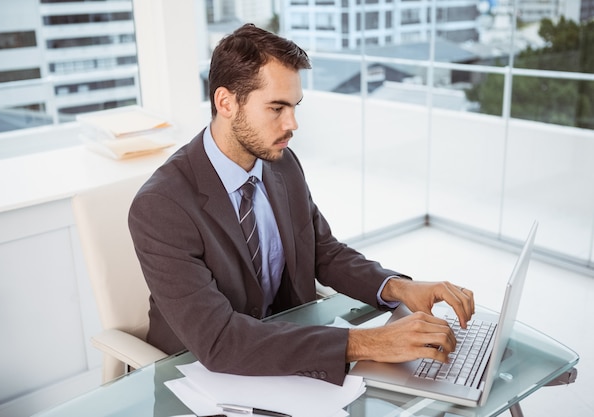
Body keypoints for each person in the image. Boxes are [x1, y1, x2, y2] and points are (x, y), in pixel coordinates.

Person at [129, 23, 475, 386]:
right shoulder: (161, 206)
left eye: (294, 106)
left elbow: (323, 252)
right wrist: (368, 342)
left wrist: (398, 287)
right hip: (196, 376)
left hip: (283, 354)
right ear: (226, 102)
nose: (292, 123)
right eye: (276, 108)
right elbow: (219, 340)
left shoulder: (282, 165)